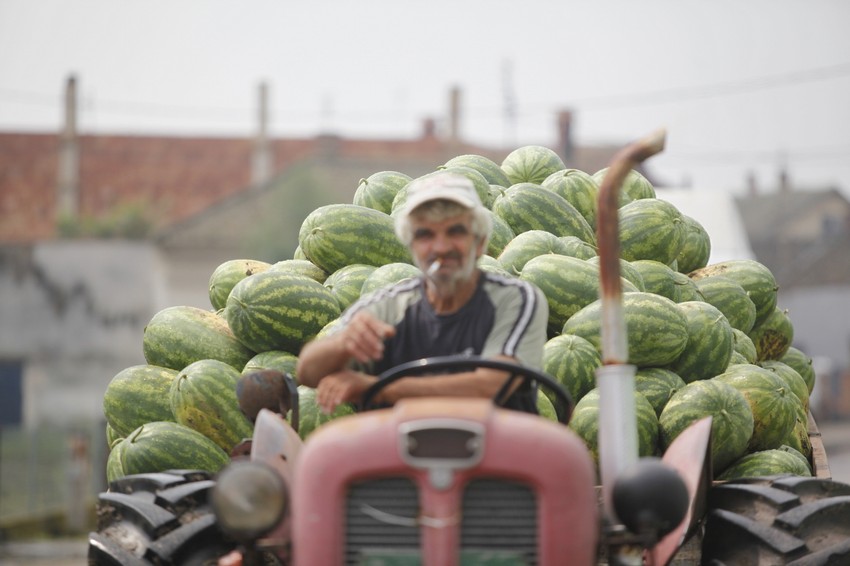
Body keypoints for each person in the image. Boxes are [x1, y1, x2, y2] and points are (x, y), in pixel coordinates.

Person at [296, 172, 549, 414]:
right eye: (425, 234)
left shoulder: (514, 299)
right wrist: (342, 344)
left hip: (497, 454)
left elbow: (492, 385)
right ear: (411, 245)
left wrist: (379, 389)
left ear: (481, 241)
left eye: (456, 232)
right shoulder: (390, 306)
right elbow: (307, 372)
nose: (441, 247)